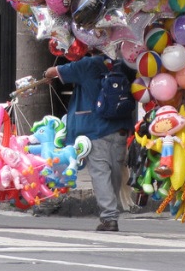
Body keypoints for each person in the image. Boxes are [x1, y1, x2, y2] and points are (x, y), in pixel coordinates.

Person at [43, 55, 133, 232]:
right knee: (115, 173)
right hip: (120, 129)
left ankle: (109, 217)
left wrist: (46, 73)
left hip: (95, 129)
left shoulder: (87, 64)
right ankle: (111, 214)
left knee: (100, 173)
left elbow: (54, 72)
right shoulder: (124, 66)